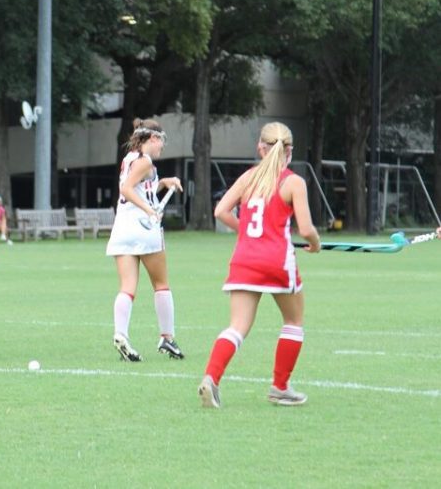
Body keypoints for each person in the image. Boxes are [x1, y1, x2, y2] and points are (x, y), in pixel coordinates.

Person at [199, 122, 321, 409]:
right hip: (277, 261)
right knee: (293, 321)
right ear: (289, 152)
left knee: (237, 326)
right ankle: (280, 387)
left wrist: (244, 231)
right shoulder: (293, 182)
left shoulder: (248, 178)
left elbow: (220, 211)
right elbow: (305, 229)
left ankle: (211, 378)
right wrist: (315, 243)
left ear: (260, 148)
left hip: (244, 259)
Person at [106, 119, 184, 362]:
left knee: (127, 287)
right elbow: (128, 190)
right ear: (153, 139)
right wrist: (149, 211)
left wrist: (163, 182)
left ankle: (121, 335)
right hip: (144, 227)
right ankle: (167, 338)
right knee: (161, 284)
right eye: (162, 141)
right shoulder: (145, 160)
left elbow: (141, 186)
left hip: (122, 228)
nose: (162, 147)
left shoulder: (130, 158)